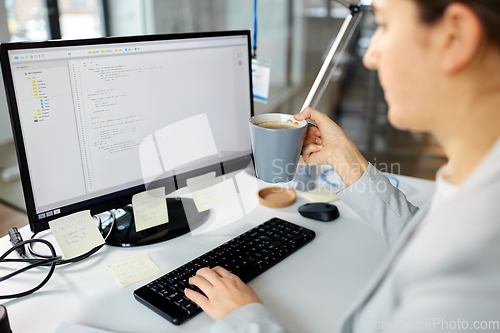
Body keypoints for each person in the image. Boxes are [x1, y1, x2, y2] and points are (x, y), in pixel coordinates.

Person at [184, 0, 500, 331]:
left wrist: (247, 318)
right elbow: (425, 241)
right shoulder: (471, 187)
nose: (370, 55)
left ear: (455, 36)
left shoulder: (473, 273)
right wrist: (342, 157)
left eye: (384, 25)